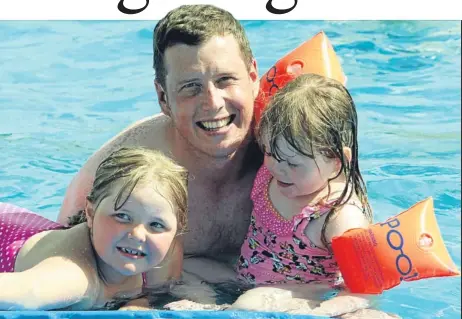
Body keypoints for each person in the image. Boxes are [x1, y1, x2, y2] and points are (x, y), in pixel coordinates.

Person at [229, 73, 375, 316]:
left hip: (303, 298)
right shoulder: (271, 173)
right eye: (270, 152)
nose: (278, 168)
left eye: (293, 163)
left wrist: (320, 312)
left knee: (250, 304)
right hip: (246, 281)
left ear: (336, 163)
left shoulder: (338, 216)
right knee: (188, 268)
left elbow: (365, 288)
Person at [0, 147, 188, 310]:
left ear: (177, 230)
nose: (138, 235)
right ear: (90, 213)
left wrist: (139, 304)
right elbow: (29, 293)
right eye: (122, 216)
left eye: (156, 224)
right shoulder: (73, 278)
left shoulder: (164, 256)